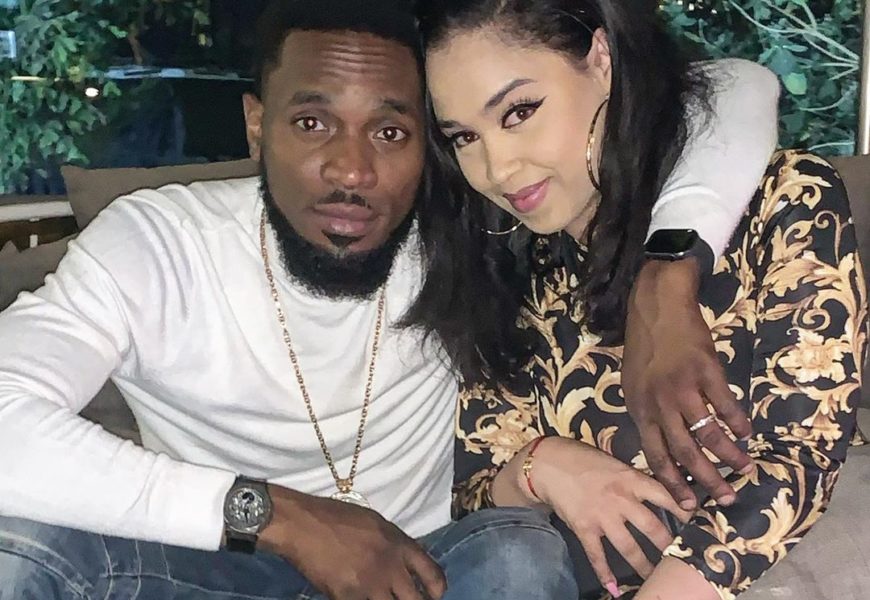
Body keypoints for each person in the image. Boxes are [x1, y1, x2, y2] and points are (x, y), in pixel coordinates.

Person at [0, 0, 779, 598]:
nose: (352, 171)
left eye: (391, 132)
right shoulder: (158, 244)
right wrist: (283, 519)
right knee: (19, 549)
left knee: (519, 552)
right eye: (313, 122)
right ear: (257, 125)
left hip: (428, 569)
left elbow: (737, 86)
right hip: (223, 568)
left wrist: (666, 277)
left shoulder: (467, 233)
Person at [411, 0, 867, 599]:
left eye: (519, 112)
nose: (497, 168)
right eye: (465, 137)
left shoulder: (782, 201)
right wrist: (540, 467)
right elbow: (474, 503)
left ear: (601, 60)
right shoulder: (510, 266)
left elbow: (799, 458)